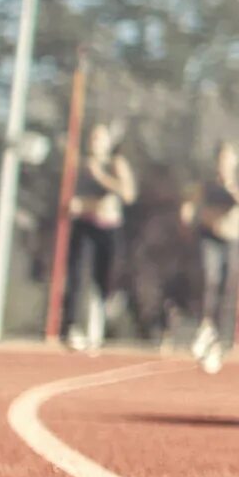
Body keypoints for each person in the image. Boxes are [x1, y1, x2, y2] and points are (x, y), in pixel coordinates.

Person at [179, 143, 239, 376]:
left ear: (234, 161)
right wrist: (187, 211)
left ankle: (219, 339)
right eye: (221, 159)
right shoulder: (208, 182)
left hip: (231, 241)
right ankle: (205, 326)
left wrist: (234, 189)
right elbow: (191, 199)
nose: (224, 164)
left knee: (227, 289)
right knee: (208, 278)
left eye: (228, 159)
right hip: (209, 236)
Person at [64, 122, 136, 351]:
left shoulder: (116, 164)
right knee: (77, 275)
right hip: (84, 226)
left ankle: (99, 325)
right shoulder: (78, 165)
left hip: (109, 228)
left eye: (100, 137)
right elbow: (68, 197)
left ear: (108, 142)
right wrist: (75, 205)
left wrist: (101, 177)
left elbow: (127, 194)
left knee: (103, 280)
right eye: (92, 136)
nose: (95, 141)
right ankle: (73, 328)